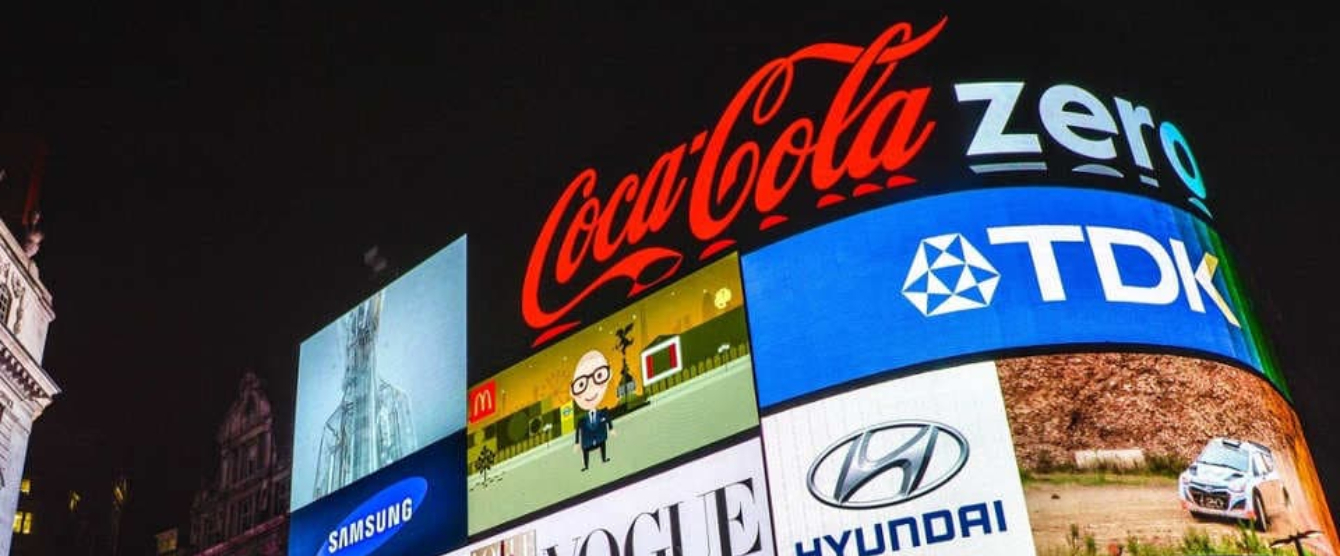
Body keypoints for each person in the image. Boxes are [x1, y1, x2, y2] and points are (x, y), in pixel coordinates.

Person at [570, 349, 617, 471]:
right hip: (587, 442)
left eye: (599, 376)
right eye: (581, 384)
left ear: (609, 374)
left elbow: (608, 419)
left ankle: (604, 458)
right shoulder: (582, 420)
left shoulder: (603, 412)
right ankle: (586, 466)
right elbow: (578, 431)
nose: (590, 388)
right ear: (573, 392)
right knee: (586, 452)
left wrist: (611, 429)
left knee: (603, 446)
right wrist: (577, 443)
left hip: (600, 438)